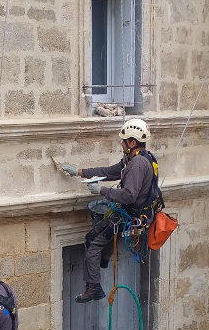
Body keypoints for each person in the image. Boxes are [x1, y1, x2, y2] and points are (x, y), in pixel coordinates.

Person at [58, 117, 160, 303]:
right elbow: (109, 172)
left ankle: (93, 287)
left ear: (133, 142)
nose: (121, 143)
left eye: (123, 140)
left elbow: (129, 195)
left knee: (92, 241)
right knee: (104, 234)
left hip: (130, 215)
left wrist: (102, 191)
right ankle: (101, 262)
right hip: (133, 213)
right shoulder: (140, 158)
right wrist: (78, 172)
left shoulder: (137, 165)